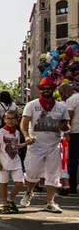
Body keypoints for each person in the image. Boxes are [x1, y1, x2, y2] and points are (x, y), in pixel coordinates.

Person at [20, 77, 70, 213]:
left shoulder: (62, 107)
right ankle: (29, 192)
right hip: (36, 145)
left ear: (54, 90)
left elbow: (67, 126)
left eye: (49, 88)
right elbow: (24, 123)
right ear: (40, 90)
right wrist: (26, 136)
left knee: (53, 174)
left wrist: (64, 126)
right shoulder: (31, 105)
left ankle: (50, 202)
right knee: (32, 171)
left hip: (54, 145)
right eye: (44, 89)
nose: (46, 91)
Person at [0, 111, 27, 214]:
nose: (10, 121)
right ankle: (4, 203)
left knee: (20, 182)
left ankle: (10, 200)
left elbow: (15, 146)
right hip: (4, 161)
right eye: (8, 118)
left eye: (12, 118)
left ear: (16, 120)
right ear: (4, 120)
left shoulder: (17, 132)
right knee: (4, 183)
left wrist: (26, 143)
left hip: (15, 161)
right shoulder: (1, 132)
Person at [61, 83, 79, 194]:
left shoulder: (71, 100)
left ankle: (72, 186)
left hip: (75, 133)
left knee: (73, 161)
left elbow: (68, 118)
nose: (62, 95)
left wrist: (66, 132)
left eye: (62, 93)